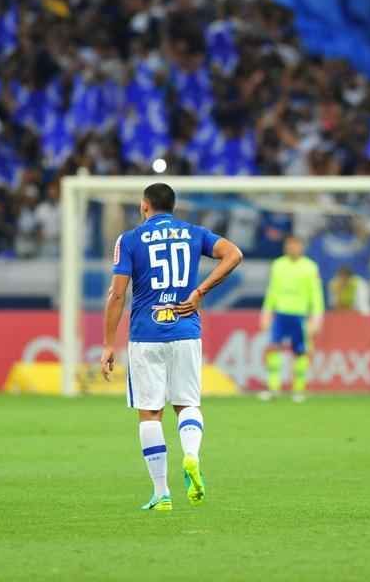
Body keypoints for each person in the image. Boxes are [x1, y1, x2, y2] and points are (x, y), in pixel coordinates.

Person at [100, 182, 243, 513]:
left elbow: (117, 294)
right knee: (188, 404)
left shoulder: (131, 240)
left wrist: (108, 343)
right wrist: (200, 291)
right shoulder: (193, 232)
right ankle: (191, 455)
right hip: (185, 331)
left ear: (144, 206)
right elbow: (234, 254)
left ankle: (162, 493)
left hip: (146, 334)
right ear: (173, 207)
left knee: (150, 412)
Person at [259, 236, 324, 403]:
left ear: (301, 247)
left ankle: (298, 390)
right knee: (273, 349)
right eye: (289, 245)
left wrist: (316, 318)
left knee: (300, 352)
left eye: (296, 245)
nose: (292, 248)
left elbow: (316, 295)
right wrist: (266, 313)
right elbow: (272, 290)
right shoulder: (278, 265)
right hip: (280, 314)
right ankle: (273, 388)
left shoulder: (310, 267)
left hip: (300, 315)